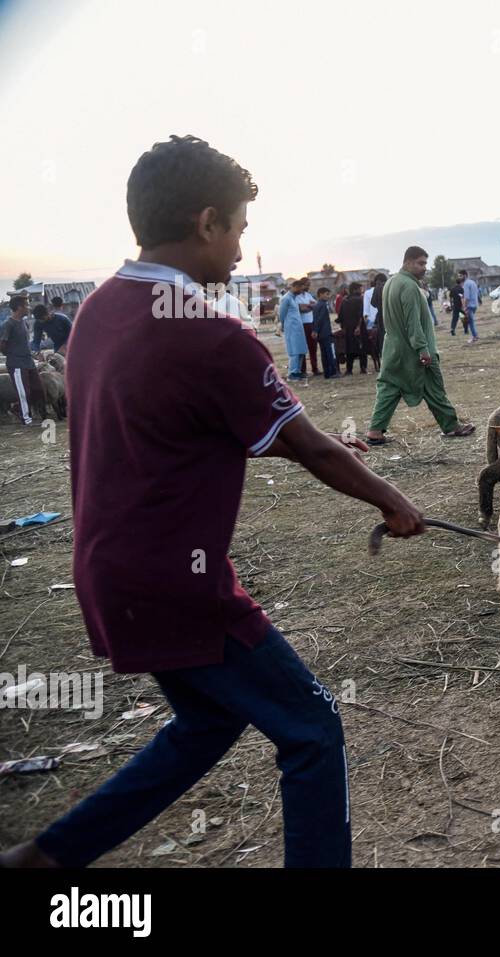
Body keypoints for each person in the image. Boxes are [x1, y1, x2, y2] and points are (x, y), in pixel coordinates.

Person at [0, 134, 427, 872]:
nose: (239, 248)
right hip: (178, 582)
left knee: (207, 720)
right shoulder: (212, 332)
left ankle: (49, 854)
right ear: (205, 223)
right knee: (312, 727)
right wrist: (394, 500)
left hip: (110, 570)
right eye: (237, 228)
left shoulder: (101, 308)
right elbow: (305, 446)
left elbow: (196, 422)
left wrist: (319, 443)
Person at [366, 246, 475, 443]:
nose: (424, 267)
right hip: (414, 350)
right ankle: (451, 426)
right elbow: (412, 322)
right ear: (407, 262)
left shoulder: (391, 283)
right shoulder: (408, 286)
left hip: (393, 348)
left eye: (425, 263)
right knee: (433, 386)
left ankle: (375, 430)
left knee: (389, 387)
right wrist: (422, 349)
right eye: (421, 263)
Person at [1, 295, 44, 425]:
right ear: (20, 307)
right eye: (26, 305)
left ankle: (16, 408)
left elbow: (25, 342)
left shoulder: (23, 322)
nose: (29, 308)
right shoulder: (8, 324)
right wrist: (13, 354)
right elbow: (2, 344)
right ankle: (26, 419)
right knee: (24, 392)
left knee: (38, 389)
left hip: (29, 361)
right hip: (17, 364)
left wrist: (33, 354)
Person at [278, 277, 309, 380]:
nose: (301, 291)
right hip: (291, 328)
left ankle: (298, 371)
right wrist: (282, 325)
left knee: (301, 350)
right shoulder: (286, 298)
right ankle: (292, 373)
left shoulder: (294, 298)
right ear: (295, 287)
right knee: (294, 351)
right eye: (300, 288)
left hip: (298, 328)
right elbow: (281, 314)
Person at [337, 282, 367, 374]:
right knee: (361, 348)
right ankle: (363, 368)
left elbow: (340, 316)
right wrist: (358, 327)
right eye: (360, 289)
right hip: (359, 328)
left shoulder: (345, 300)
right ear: (355, 289)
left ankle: (349, 370)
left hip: (348, 329)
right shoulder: (359, 300)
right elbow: (360, 315)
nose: (361, 290)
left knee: (349, 349)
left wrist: (343, 327)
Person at [313, 286, 340, 378]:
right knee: (330, 353)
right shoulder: (323, 305)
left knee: (324, 353)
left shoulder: (317, 305)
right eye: (327, 294)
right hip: (325, 332)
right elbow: (320, 319)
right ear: (320, 294)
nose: (328, 296)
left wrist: (315, 330)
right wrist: (316, 330)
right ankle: (332, 372)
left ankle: (327, 373)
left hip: (320, 334)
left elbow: (316, 320)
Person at [459, 269, 480, 343]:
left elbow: (466, 297)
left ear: (465, 275)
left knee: (470, 322)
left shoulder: (466, 284)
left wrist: (464, 307)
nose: (459, 277)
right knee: (470, 321)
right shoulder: (473, 282)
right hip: (475, 304)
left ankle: (475, 336)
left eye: (460, 276)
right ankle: (475, 335)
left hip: (469, 305)